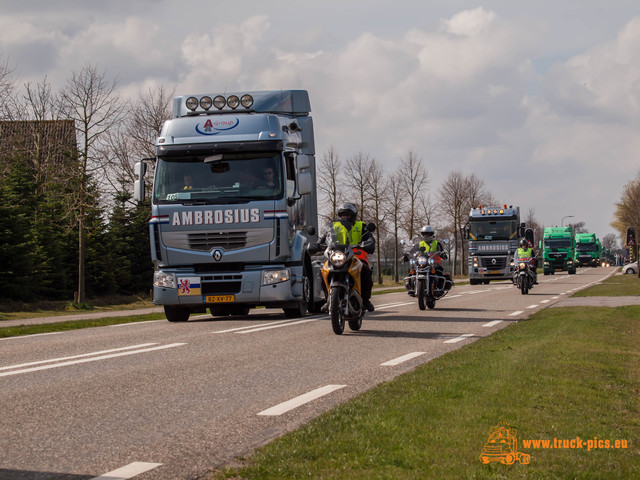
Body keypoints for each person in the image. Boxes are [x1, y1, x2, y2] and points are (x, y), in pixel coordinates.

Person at [321, 202, 376, 312]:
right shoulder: (334, 226)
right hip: (338, 255)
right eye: (342, 214)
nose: (345, 217)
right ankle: (328, 299)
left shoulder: (361, 225)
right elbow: (324, 239)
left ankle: (365, 300)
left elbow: (369, 237)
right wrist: (318, 244)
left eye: (348, 214)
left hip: (357, 256)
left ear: (354, 215)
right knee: (322, 271)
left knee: (365, 269)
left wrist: (369, 243)